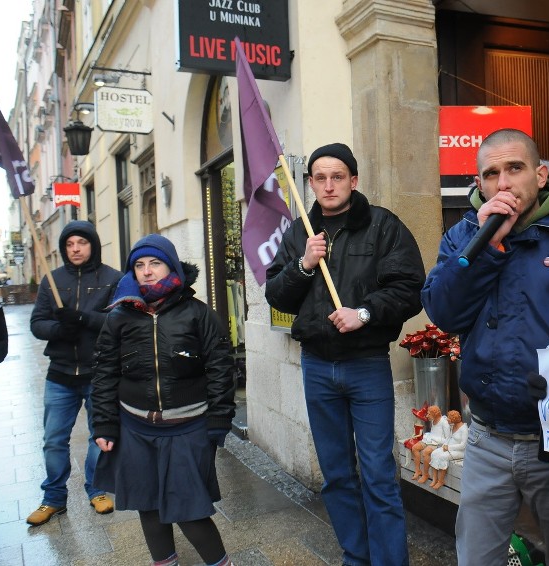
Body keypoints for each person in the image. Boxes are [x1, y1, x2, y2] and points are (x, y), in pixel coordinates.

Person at [422, 128, 549, 566]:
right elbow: (443, 311)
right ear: (479, 185)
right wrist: (484, 248)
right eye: (491, 173)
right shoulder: (465, 234)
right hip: (486, 436)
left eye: (515, 168)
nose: (503, 183)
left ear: (540, 175)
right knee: (476, 556)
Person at [265, 142, 425, 566]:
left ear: (353, 181)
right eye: (320, 177)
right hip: (317, 366)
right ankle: (356, 556)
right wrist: (302, 265)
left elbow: (410, 288)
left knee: (377, 474)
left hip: (366, 365)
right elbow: (275, 295)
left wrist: (365, 313)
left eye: (338, 177)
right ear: (310, 182)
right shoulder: (299, 232)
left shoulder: (382, 225)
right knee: (336, 475)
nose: (329, 185)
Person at [92, 234, 236, 566]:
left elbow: (220, 367)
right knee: (150, 506)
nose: (147, 271)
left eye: (155, 263)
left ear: (170, 265)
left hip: (188, 428)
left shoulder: (198, 314)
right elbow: (104, 373)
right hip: (135, 427)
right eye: (139, 265)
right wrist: (104, 424)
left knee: (190, 510)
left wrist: (219, 419)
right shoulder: (119, 317)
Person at [27, 220, 122, 526]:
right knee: (54, 439)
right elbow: (37, 323)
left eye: (81, 243)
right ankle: (53, 498)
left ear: (92, 244)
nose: (75, 249)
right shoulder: (52, 280)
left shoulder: (112, 279)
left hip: (100, 373)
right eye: (69, 244)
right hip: (61, 374)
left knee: (100, 436)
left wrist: (82, 318)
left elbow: (119, 323)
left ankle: (97, 489)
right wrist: (59, 329)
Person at [429, 410, 467, 490]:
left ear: (454, 419)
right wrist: (444, 445)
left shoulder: (464, 429)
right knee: (434, 453)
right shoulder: (453, 426)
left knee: (443, 457)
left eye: (449, 418)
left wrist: (449, 448)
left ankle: (441, 480)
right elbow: (449, 438)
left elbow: (463, 445)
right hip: (449, 447)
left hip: (459, 451)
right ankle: (434, 478)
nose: (447, 420)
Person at [411, 404, 449, 482]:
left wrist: (439, 442)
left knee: (425, 452)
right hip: (429, 439)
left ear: (435, 414)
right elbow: (433, 432)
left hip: (437, 443)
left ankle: (425, 474)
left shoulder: (444, 422)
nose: (427, 415)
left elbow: (448, 438)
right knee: (414, 448)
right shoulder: (433, 420)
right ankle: (418, 470)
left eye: (429, 414)